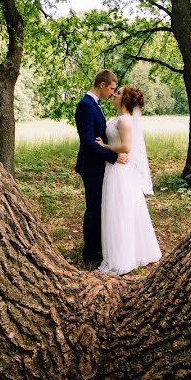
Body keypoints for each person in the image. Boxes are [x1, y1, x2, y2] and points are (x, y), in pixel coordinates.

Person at [95, 86, 161, 274]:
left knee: (120, 209)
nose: (114, 95)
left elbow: (126, 147)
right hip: (114, 168)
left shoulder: (124, 120)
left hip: (120, 170)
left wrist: (105, 146)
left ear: (124, 100)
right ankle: (125, 251)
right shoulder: (119, 118)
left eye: (118, 93)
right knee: (120, 208)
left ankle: (122, 257)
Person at [75, 70, 127, 262]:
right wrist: (113, 157)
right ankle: (90, 252)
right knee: (94, 208)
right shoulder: (86, 105)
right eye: (111, 89)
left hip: (98, 163)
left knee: (99, 206)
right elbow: (88, 141)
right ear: (102, 85)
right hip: (91, 165)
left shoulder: (95, 105)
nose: (113, 93)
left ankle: (98, 246)